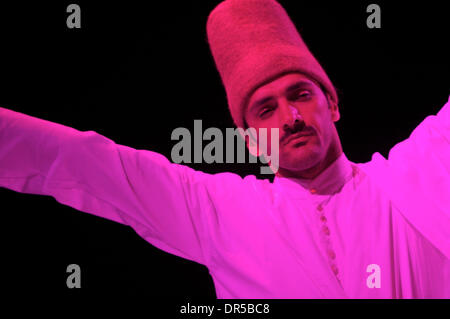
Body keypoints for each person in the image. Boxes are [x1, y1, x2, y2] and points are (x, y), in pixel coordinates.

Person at [0, 0, 449, 298]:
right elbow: (84, 160)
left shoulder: (415, 173)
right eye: (265, 108)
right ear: (251, 138)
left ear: (331, 103)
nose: (290, 116)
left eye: (301, 94)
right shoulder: (222, 211)